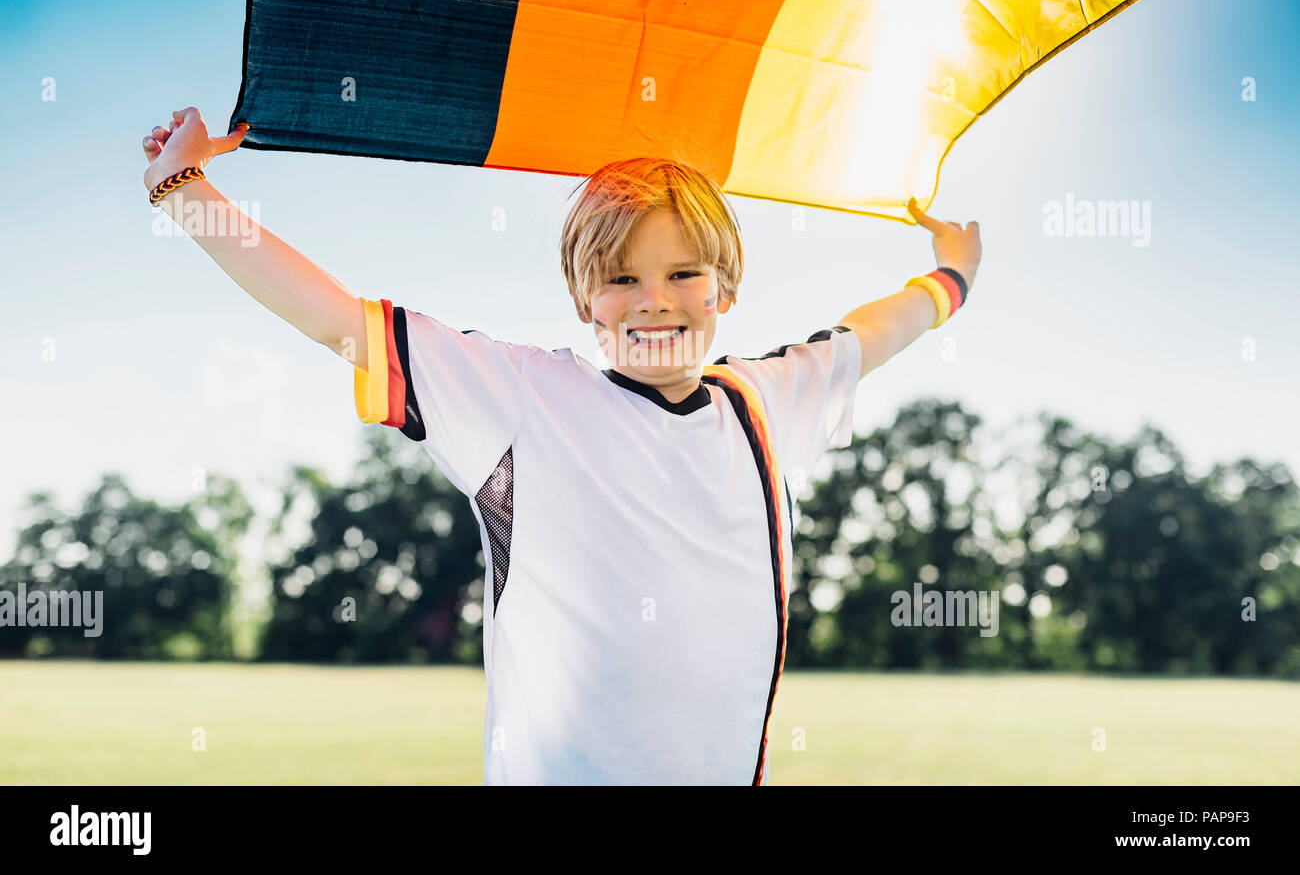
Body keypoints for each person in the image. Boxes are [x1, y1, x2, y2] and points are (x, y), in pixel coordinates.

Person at [141, 106, 981, 784]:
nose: (654, 299)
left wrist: (952, 275)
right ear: (585, 300)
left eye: (683, 272)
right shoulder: (523, 397)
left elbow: (872, 333)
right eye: (621, 278)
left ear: (725, 285)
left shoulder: (762, 403)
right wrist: (185, 189)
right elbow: (336, 321)